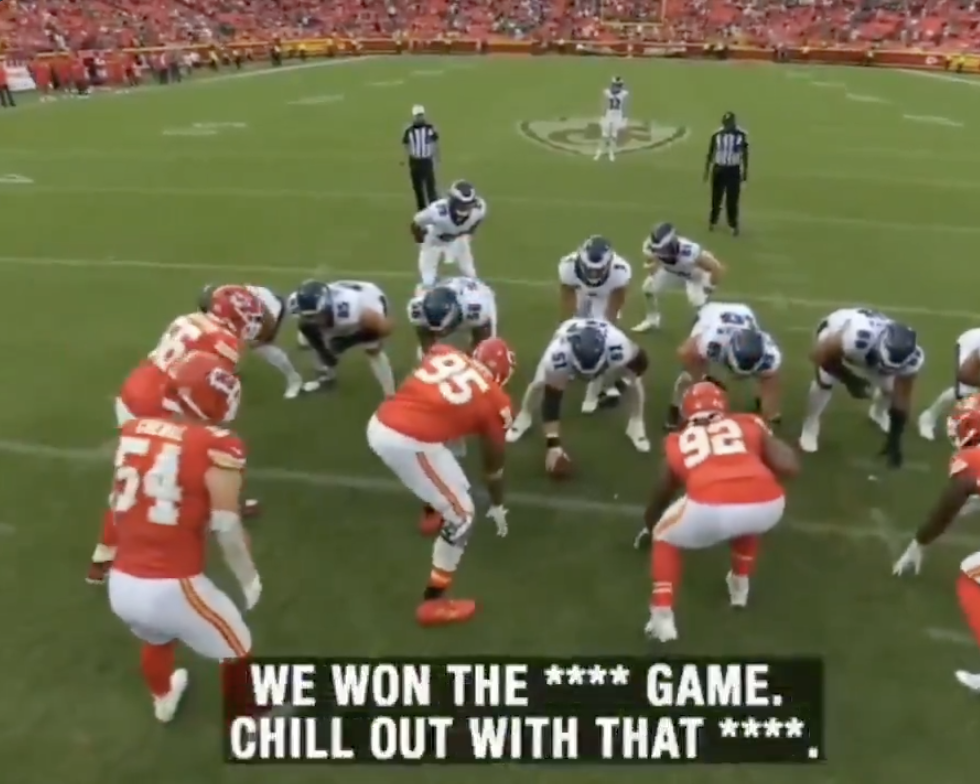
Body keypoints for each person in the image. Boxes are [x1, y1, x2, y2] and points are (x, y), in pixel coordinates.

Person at [107, 351, 261, 723]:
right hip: (172, 584)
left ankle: (163, 698)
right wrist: (248, 578)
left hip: (122, 581)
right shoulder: (218, 445)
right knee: (238, 646)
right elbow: (226, 526)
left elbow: (130, 499)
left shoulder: (134, 429)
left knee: (157, 638)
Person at [367, 338, 516, 626]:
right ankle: (433, 601)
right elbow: (493, 468)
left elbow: (431, 372)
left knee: (445, 473)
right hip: (406, 440)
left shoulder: (446, 351)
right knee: (463, 515)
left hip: (384, 418)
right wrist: (498, 504)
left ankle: (432, 510)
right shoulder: (497, 402)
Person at [636, 382, 798, 642]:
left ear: (686, 412)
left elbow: (662, 493)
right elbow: (789, 466)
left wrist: (650, 523)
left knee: (664, 535)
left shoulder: (676, 440)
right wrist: (760, 442)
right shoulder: (748, 422)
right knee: (747, 519)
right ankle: (740, 586)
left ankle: (661, 615)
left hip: (711, 504)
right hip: (769, 502)